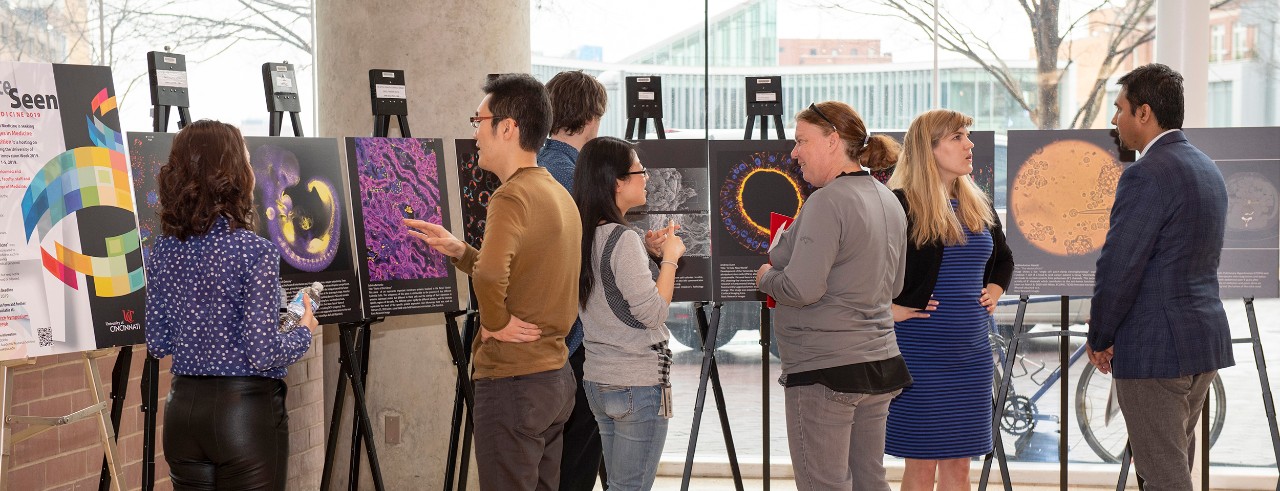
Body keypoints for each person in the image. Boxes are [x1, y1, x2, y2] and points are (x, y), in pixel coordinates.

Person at [405, 73, 580, 491]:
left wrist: (496, 323)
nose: (475, 133)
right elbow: (524, 270)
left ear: (507, 127)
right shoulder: (556, 193)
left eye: (478, 121)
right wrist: (461, 251)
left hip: (514, 383)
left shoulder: (511, 196)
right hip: (554, 378)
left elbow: (490, 276)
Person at [144, 119, 319, 490]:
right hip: (244, 416)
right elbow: (261, 350)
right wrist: (302, 331)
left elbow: (158, 343)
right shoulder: (255, 250)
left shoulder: (162, 250)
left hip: (182, 415)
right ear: (236, 174)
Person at [1088, 63, 1234, 491]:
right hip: (1197, 343)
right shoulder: (1205, 167)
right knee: (1173, 465)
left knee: (1164, 477)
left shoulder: (1146, 174)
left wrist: (1099, 336)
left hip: (1156, 349)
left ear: (1144, 113)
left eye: (1119, 109)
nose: (1115, 120)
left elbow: (1119, 267)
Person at [755, 101, 911, 490]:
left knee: (823, 483)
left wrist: (766, 277)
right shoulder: (887, 198)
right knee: (869, 480)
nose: (794, 153)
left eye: (801, 141)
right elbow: (894, 288)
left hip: (826, 371)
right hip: (878, 363)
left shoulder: (827, 201)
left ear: (832, 141)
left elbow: (802, 289)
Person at [884, 109, 1013, 490]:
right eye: (958, 137)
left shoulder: (977, 203)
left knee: (960, 465)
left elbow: (1003, 259)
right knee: (921, 465)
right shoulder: (900, 204)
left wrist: (996, 288)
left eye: (966, 136)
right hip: (919, 355)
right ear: (931, 148)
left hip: (971, 356)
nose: (969, 144)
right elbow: (861, 269)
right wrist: (887, 309)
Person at [571, 136, 684, 491]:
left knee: (617, 485)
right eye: (639, 171)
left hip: (599, 380)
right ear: (617, 182)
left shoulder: (585, 233)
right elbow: (652, 313)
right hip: (636, 382)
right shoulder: (623, 239)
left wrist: (650, 255)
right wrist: (669, 258)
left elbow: (613, 301)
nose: (647, 177)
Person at [540, 70, 609, 491]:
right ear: (591, 117)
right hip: (575, 338)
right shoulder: (573, 175)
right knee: (575, 462)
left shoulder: (541, 165)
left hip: (553, 336)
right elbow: (593, 257)